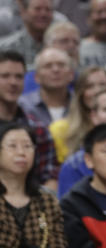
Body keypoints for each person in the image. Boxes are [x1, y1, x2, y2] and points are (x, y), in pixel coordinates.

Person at [0, 50, 59, 192]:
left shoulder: (37, 127)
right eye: (5, 76)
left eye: (19, 77)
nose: (13, 82)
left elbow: (50, 177)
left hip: (29, 203)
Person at [17, 45, 73, 126]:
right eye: (48, 66)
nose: (55, 70)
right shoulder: (22, 106)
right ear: (37, 77)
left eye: (61, 65)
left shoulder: (81, 104)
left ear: (71, 74)